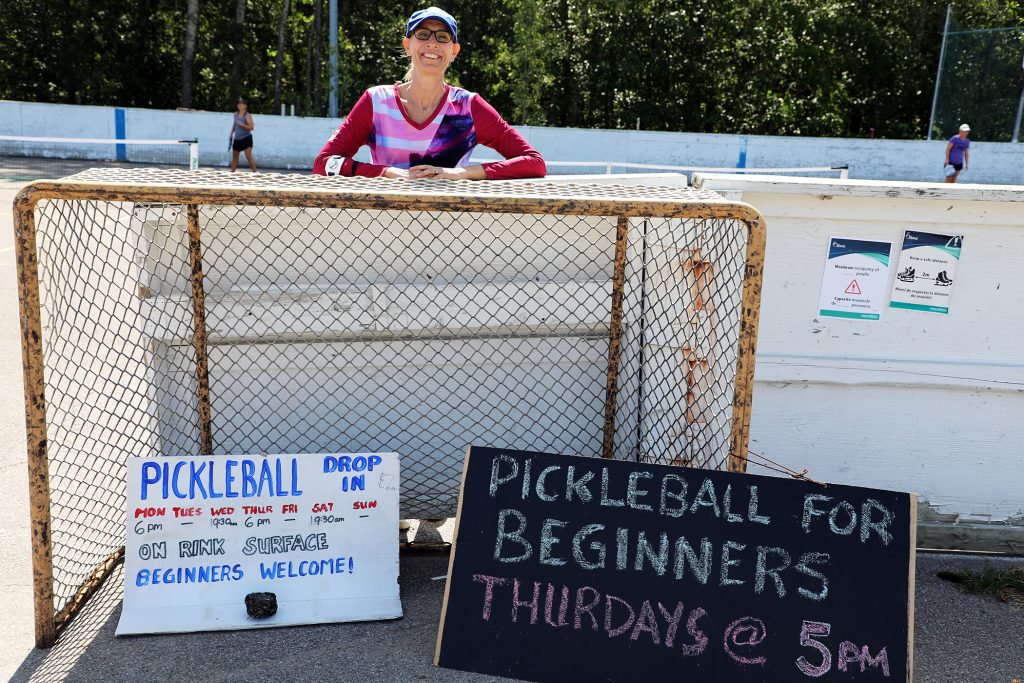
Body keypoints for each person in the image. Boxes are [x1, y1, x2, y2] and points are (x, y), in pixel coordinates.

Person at [313, 7, 545, 180]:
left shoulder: (468, 106)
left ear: (454, 51)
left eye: (442, 37)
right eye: (423, 34)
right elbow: (323, 163)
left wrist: (460, 173)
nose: (432, 43)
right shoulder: (376, 102)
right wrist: (388, 172)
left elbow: (534, 163)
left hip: (451, 230)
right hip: (383, 229)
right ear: (407, 44)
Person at [230, 98, 258, 172]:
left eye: (241, 104)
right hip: (237, 138)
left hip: (246, 138)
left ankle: (255, 172)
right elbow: (234, 125)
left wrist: (243, 125)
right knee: (235, 157)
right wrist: (231, 133)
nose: (239, 105)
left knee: (248, 156)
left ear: (245, 106)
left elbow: (251, 127)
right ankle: (232, 172)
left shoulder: (247, 115)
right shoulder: (235, 114)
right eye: (238, 104)